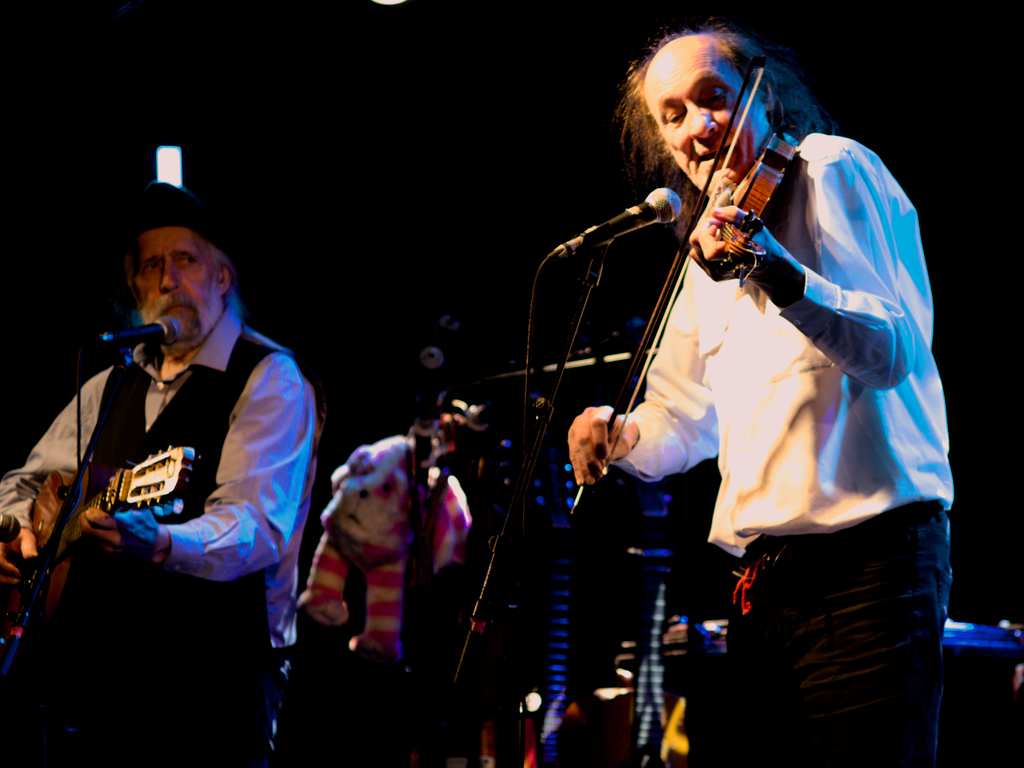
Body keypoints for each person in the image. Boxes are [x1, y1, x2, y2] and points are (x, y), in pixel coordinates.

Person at [567, 20, 953, 768]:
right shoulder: (707, 246)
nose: (697, 127)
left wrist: (777, 272)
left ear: (762, 92)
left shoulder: (831, 170)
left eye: (713, 98)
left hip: (871, 569)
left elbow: (894, 351)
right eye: (672, 115)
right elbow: (682, 415)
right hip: (762, 584)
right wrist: (623, 438)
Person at [0, 182, 325, 766]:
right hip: (104, 676)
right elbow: (23, 482)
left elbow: (257, 525)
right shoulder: (111, 382)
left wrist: (166, 542)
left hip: (215, 684)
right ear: (135, 287)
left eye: (186, 261)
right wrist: (16, 534)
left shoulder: (269, 377)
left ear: (223, 279)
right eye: (151, 266)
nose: (168, 280)